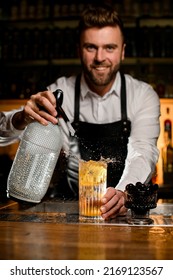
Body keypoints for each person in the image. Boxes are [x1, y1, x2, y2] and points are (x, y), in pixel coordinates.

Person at [1, 4, 160, 219]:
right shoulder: (59, 92)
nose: (99, 57)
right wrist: (22, 118)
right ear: (79, 50)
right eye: (91, 47)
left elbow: (143, 151)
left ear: (123, 51)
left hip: (126, 213)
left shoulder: (142, 95)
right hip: (72, 211)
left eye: (110, 47)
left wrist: (124, 192)